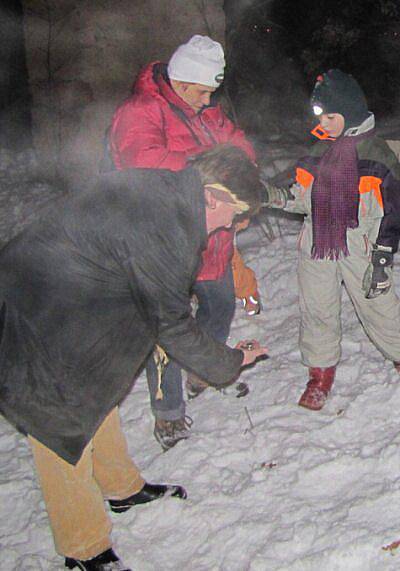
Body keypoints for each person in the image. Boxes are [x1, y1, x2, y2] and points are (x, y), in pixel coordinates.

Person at [0, 145, 269, 570]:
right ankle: (84, 548)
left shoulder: (166, 189)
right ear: (212, 195)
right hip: (31, 313)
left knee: (97, 384)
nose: (231, 226)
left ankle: (120, 488)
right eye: (234, 215)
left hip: (68, 302)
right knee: (60, 420)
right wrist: (231, 362)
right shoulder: (168, 228)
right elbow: (172, 324)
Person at [107, 34, 261, 448]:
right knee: (168, 328)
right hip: (165, 243)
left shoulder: (206, 112)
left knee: (221, 305)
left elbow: (239, 144)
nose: (208, 99)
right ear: (181, 80)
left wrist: (238, 167)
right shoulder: (141, 111)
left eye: (212, 91)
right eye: (203, 91)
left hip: (212, 241)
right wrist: (209, 169)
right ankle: (168, 411)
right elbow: (143, 163)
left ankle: (202, 368)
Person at [263, 69, 400, 411]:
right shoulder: (316, 151)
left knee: (379, 306)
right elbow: (299, 197)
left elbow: (391, 214)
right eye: (321, 116)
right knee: (318, 309)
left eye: (331, 116)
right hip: (317, 243)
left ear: (350, 114)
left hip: (361, 245)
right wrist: (274, 196)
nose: (324, 123)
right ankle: (320, 373)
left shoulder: (377, 156)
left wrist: (382, 257)